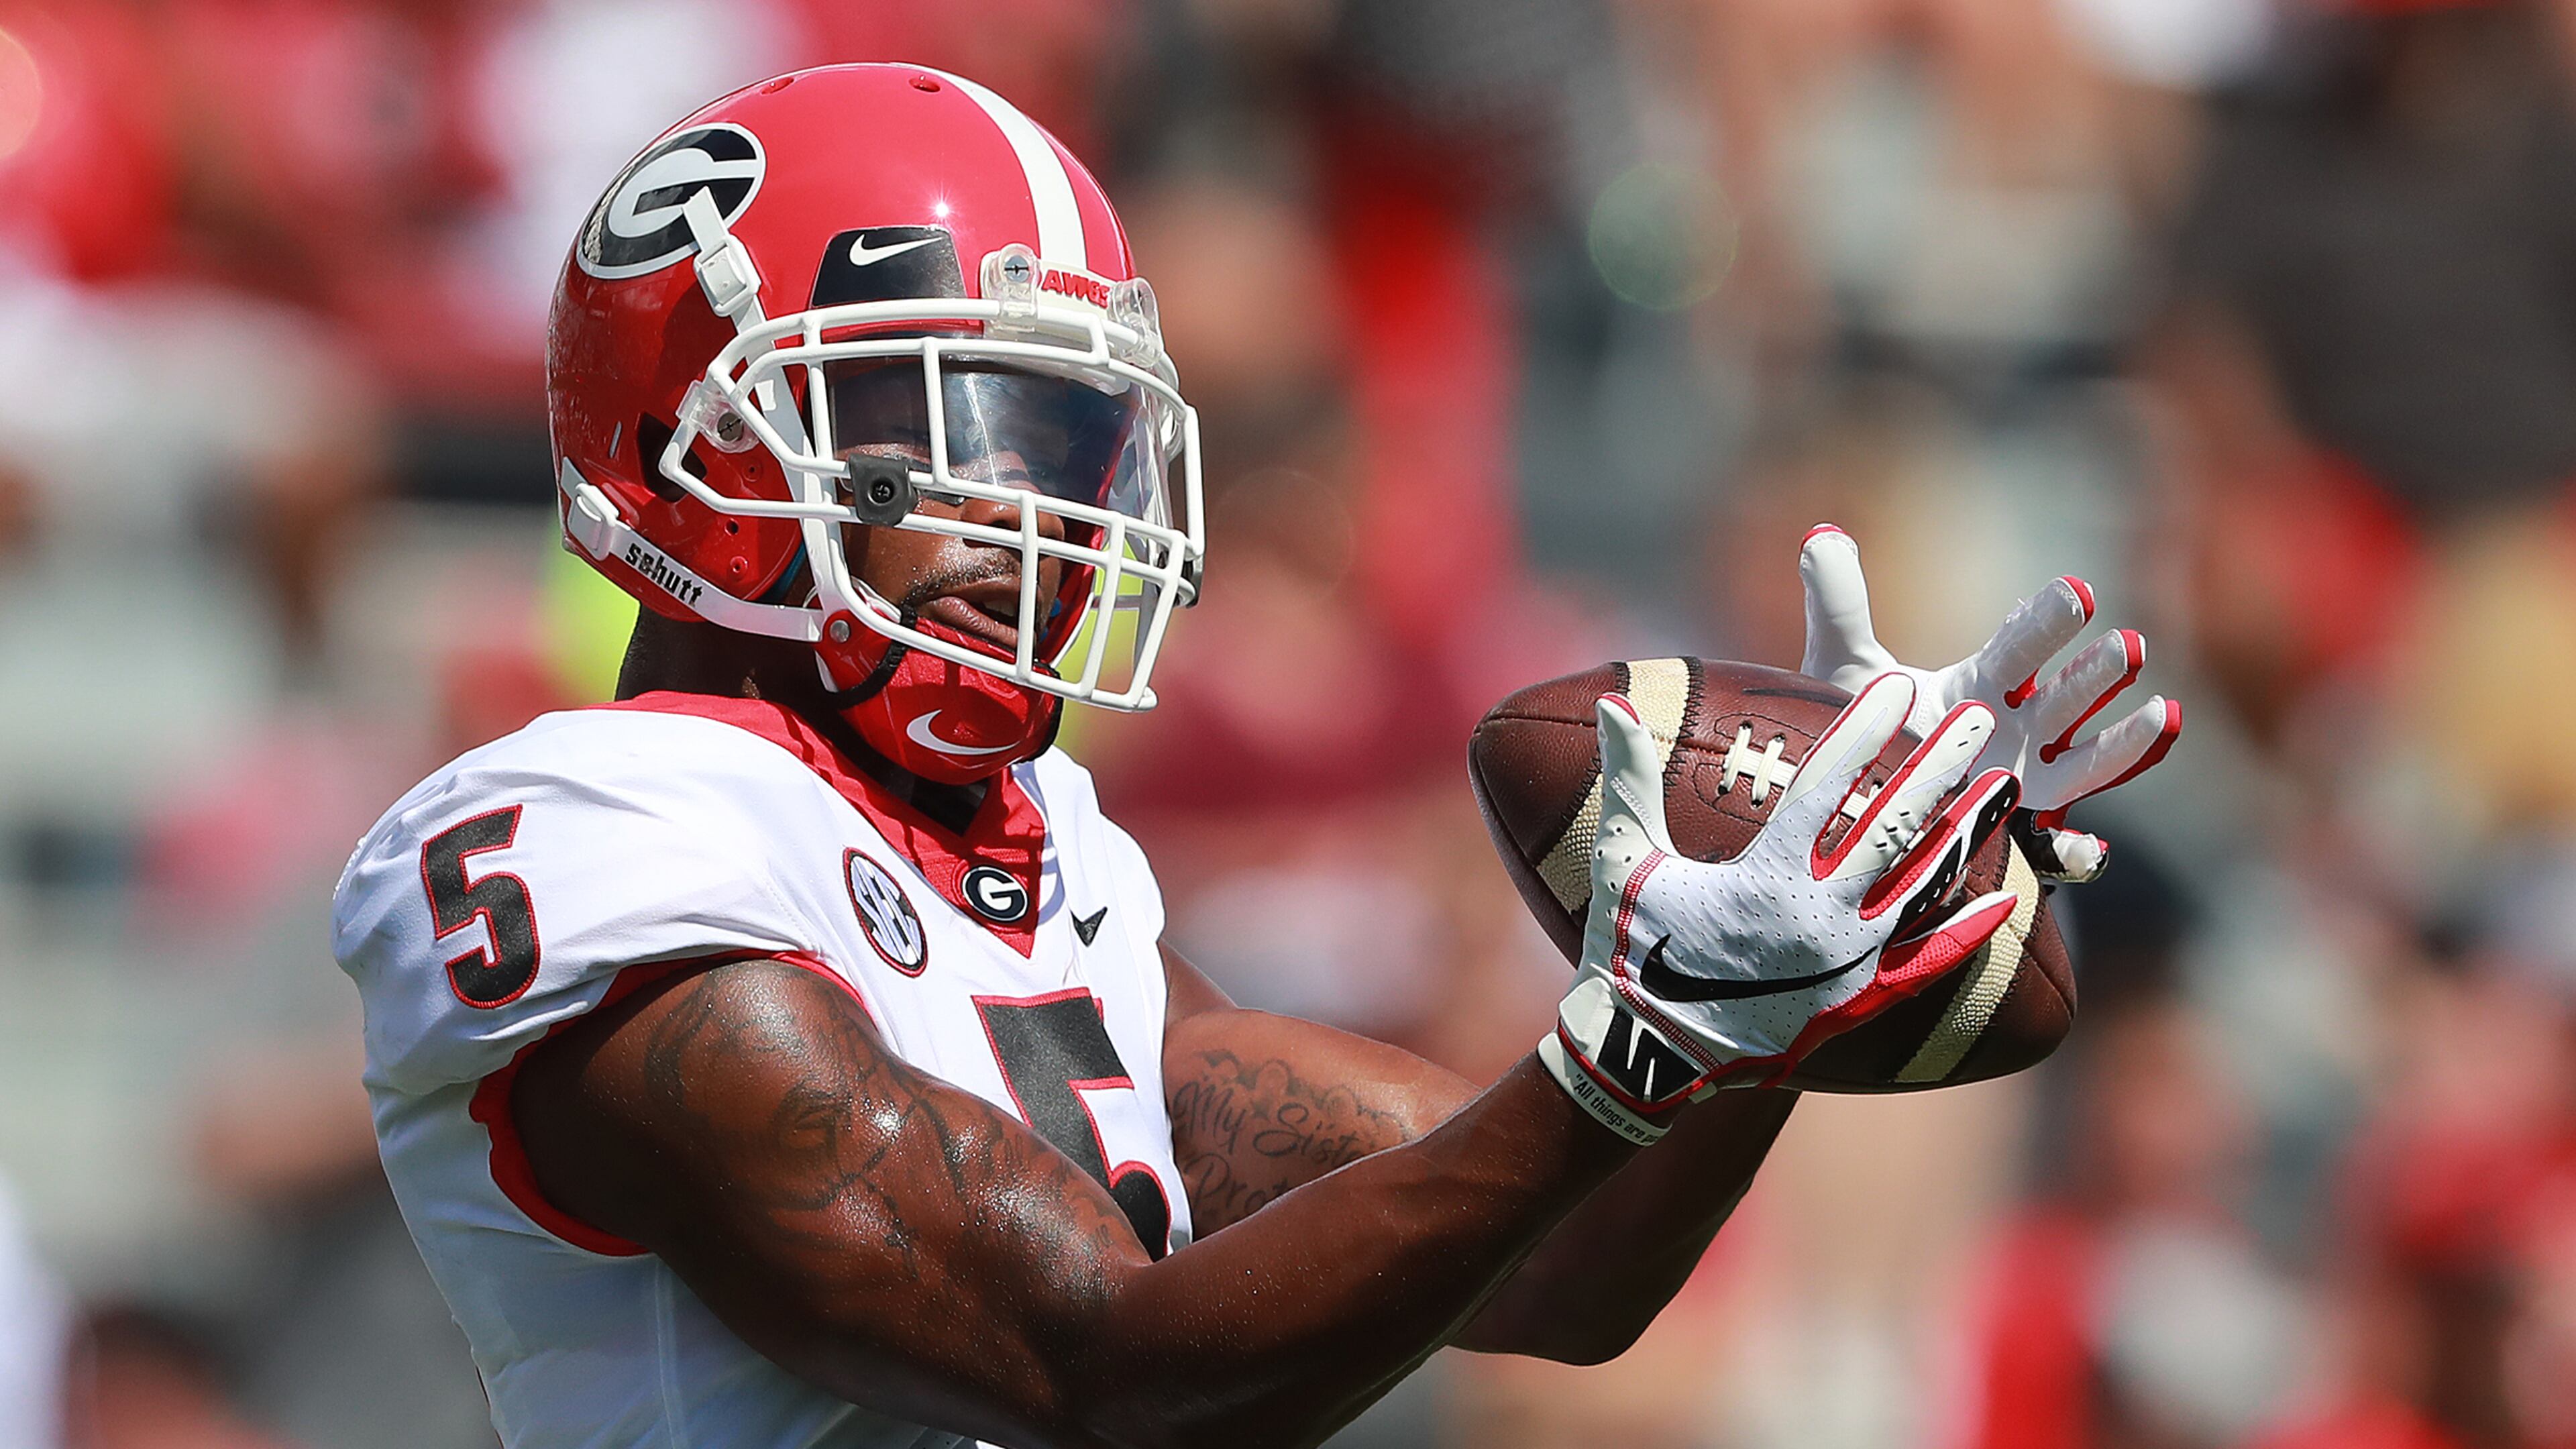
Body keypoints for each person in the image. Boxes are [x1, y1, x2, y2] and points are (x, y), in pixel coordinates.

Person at [329, 64, 2176, 1449]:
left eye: (1061, 442)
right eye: (937, 427)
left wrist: (1802, 949)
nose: (1030, 518)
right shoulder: (585, 841)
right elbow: (1090, 1362)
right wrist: (1640, 1041)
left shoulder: (1036, 849)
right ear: (695, 440)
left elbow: (1566, 1265)